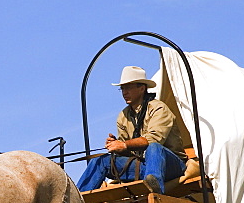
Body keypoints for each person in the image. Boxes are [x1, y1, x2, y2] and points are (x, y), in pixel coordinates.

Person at [76, 66, 187, 194]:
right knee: (100, 161)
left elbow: (153, 140)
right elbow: (127, 151)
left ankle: (154, 189)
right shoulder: (123, 116)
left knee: (154, 148)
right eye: (122, 88)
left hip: (170, 165)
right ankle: (78, 199)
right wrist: (116, 145)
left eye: (128, 87)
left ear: (142, 88)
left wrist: (124, 144)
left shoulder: (159, 108)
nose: (124, 92)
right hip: (143, 166)